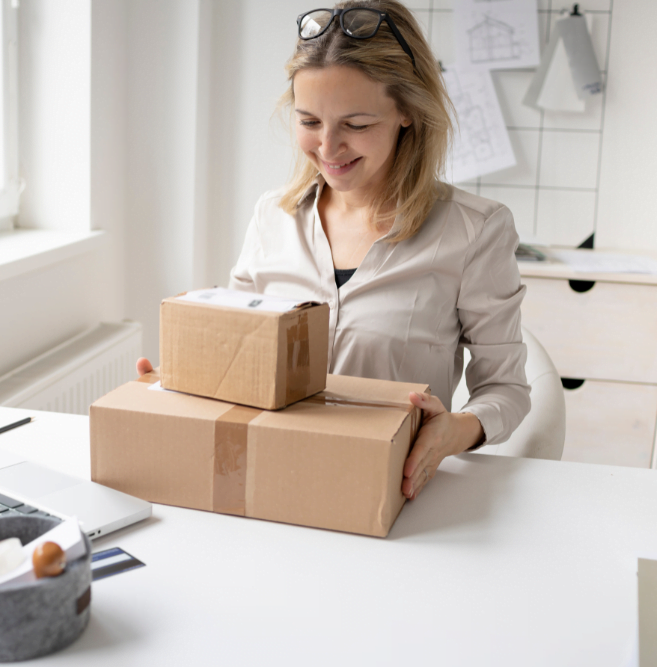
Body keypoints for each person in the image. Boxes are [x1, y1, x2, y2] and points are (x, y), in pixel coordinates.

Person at [138, 1, 529, 501]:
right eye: (309, 121)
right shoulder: (271, 217)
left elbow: (507, 391)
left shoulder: (475, 231)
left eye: (357, 124)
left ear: (407, 111)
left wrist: (456, 429)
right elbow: (236, 356)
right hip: (269, 478)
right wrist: (181, 380)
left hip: (390, 492)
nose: (328, 147)